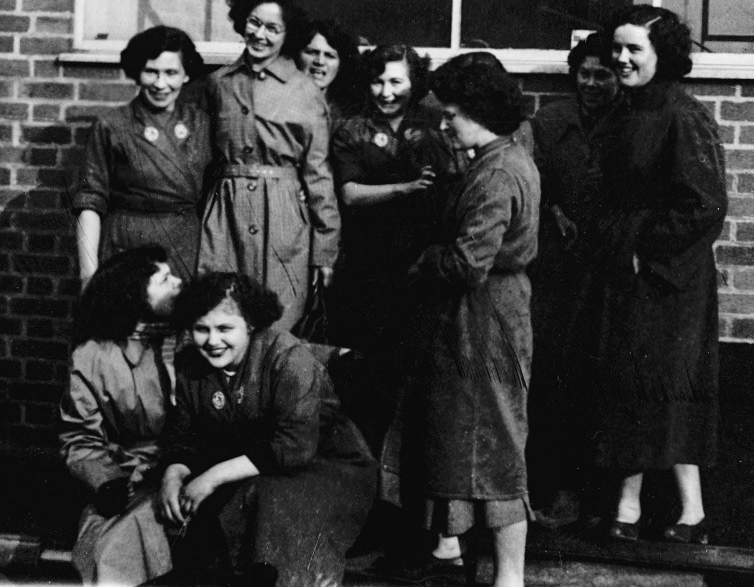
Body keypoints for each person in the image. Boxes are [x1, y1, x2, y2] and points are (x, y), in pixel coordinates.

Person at [400, 60, 539, 587]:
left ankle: (510, 578)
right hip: (483, 313)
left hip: (484, 318)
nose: (443, 125)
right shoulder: (499, 160)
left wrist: (426, 259)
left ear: (480, 113)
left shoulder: (497, 172)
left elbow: (467, 263)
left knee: (495, 444)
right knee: (468, 436)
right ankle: (451, 553)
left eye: (451, 115)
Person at [595, 5, 727, 543]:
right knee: (631, 385)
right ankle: (628, 506)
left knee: (666, 389)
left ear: (662, 55)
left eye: (634, 49)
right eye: (617, 48)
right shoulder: (627, 110)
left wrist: (644, 249)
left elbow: (704, 204)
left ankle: (690, 513)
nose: (622, 58)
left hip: (669, 278)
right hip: (629, 269)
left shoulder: (683, 115)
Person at [158, 272, 377, 587]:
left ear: (249, 324)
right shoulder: (191, 364)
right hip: (248, 465)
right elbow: (184, 434)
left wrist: (212, 477)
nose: (213, 341)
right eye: (201, 329)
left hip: (323, 465)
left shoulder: (287, 357)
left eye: (224, 328)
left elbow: (295, 445)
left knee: (272, 508)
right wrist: (173, 474)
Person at [329, 43, 460, 451]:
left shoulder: (437, 124)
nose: (385, 92)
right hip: (368, 263)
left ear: (414, 82)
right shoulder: (353, 129)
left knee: (419, 365)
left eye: (396, 82)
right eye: (378, 81)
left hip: (421, 263)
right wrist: (406, 187)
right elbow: (350, 193)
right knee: (368, 366)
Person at [198, 0, 340, 331]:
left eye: (273, 29)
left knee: (277, 322)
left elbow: (319, 175)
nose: (260, 35)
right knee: (220, 312)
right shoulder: (219, 84)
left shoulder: (305, 91)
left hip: (284, 217)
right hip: (226, 215)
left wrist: (324, 250)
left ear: (287, 35)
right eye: (254, 23)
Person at [527, 33, 619, 528]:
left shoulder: (629, 123)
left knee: (599, 381)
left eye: (602, 74)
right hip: (558, 274)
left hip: (608, 273)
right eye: (584, 73)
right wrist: (555, 211)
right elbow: (532, 181)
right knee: (554, 378)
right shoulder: (550, 122)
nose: (591, 83)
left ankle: (595, 499)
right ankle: (553, 489)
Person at [60, 246, 182, 586]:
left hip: (186, 471)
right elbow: (80, 438)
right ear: (135, 295)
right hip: (128, 479)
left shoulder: (194, 337)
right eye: (165, 280)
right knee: (104, 545)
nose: (179, 283)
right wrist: (105, 481)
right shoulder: (93, 357)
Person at [73, 26, 211, 288]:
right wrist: (88, 276)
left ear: (186, 75)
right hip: (127, 247)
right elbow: (90, 202)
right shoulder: (112, 125)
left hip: (185, 247)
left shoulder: (202, 125)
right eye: (151, 71)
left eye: (171, 72)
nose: (160, 84)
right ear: (137, 72)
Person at [297, 18, 364, 128]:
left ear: (340, 64)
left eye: (330, 56)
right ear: (297, 56)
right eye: (312, 52)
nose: (320, 61)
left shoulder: (347, 118)